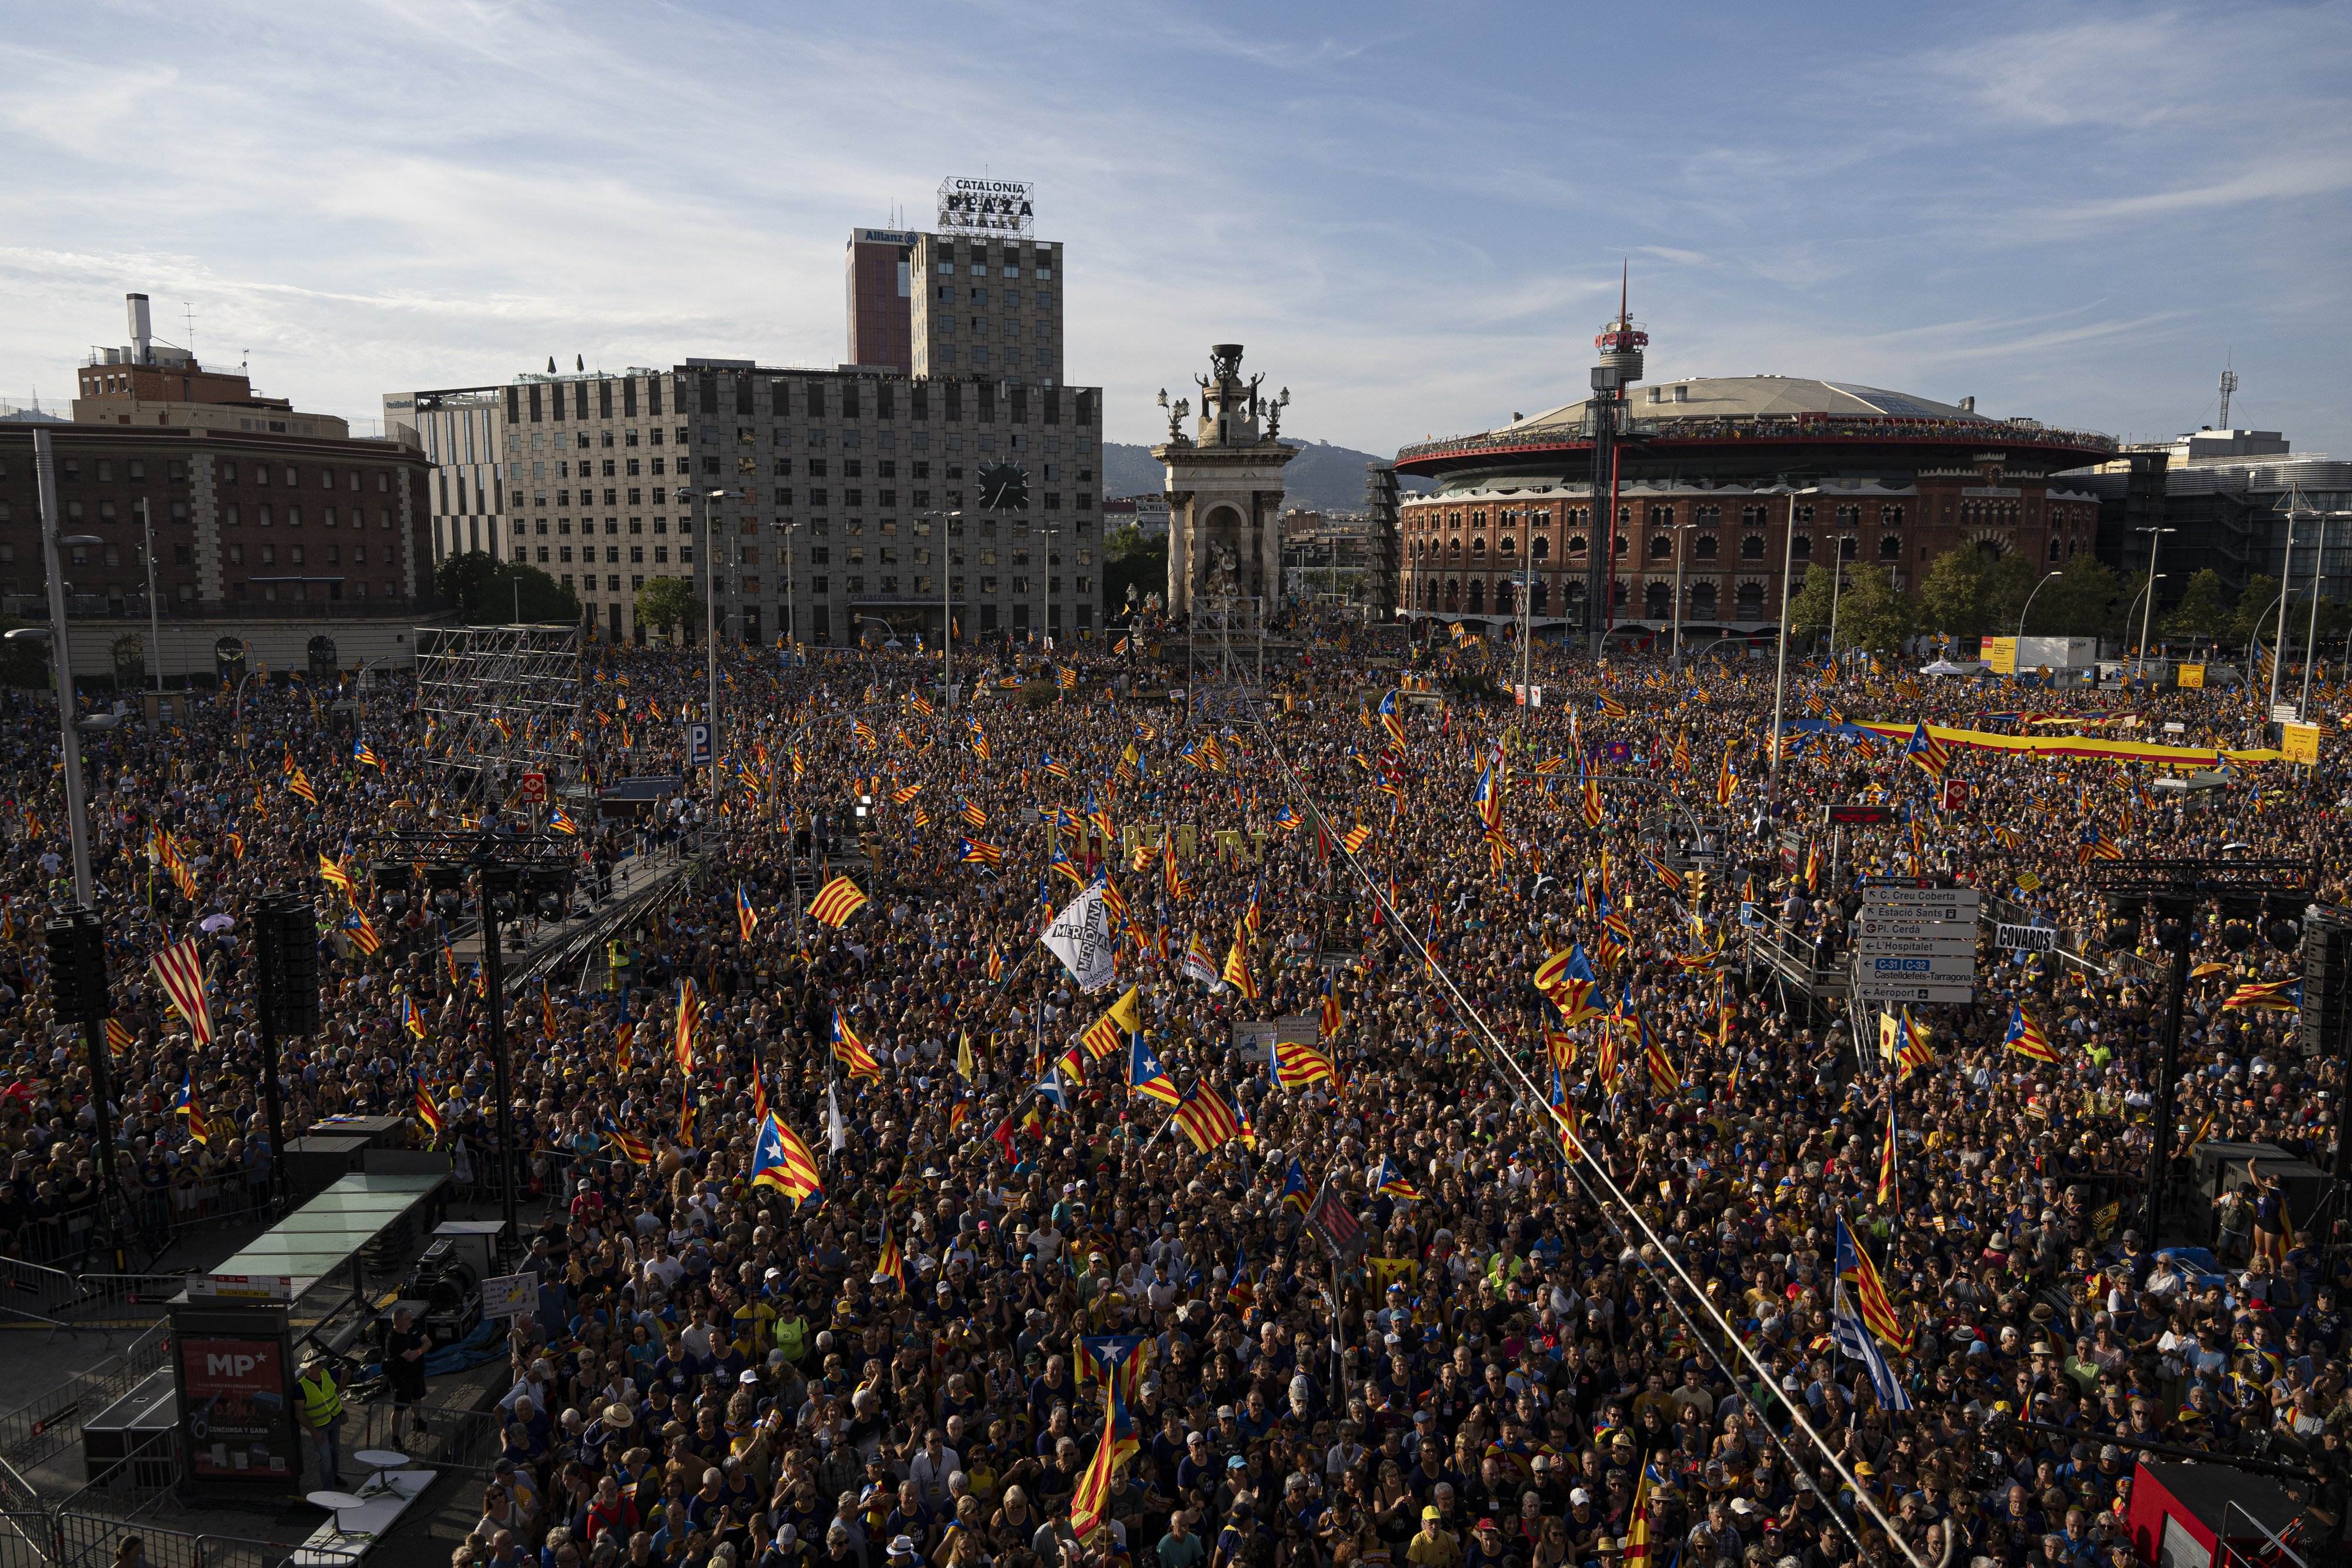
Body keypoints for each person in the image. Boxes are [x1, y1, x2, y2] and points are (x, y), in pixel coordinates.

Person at [296, 1350, 346, 1490]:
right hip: (320, 1428)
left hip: (334, 1420)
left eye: (321, 1362)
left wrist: (340, 1388)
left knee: (335, 1450)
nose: (321, 1365)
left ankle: (335, 1477)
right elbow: (299, 1414)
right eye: (318, 1364)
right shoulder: (301, 1387)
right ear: (309, 1367)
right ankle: (328, 1490)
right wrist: (313, 1432)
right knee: (325, 1459)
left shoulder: (326, 1373)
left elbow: (346, 1372)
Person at [384, 1303, 433, 1443]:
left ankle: (417, 1420)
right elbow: (410, 1357)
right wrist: (421, 1350)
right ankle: (395, 1438)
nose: (411, 1320)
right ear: (399, 1322)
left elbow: (428, 1342)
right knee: (399, 1407)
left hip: (416, 1372)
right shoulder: (393, 1339)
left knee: (417, 1397)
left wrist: (418, 1351)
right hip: (401, 1378)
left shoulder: (413, 1327)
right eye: (407, 1319)